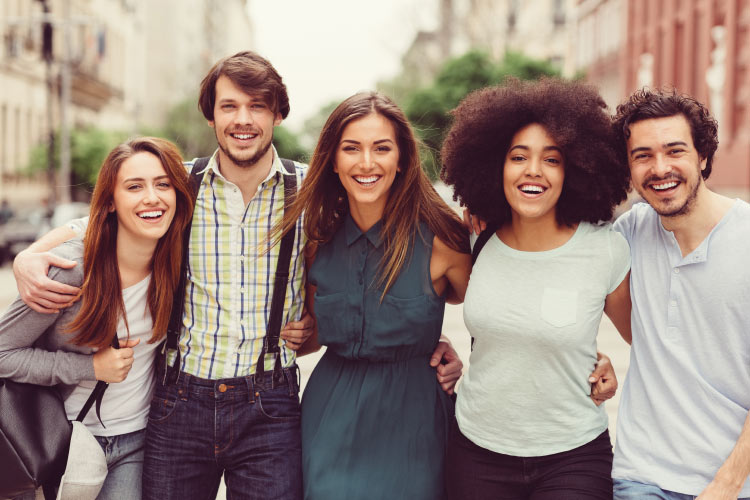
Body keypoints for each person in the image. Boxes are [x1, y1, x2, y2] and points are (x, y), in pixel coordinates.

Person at [12, 51, 462, 500]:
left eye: (257, 106)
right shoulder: (177, 186)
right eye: (229, 106)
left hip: (271, 407)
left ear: (278, 114)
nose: (242, 120)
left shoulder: (312, 193)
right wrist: (30, 255)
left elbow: (380, 233)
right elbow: (103, 221)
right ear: (211, 117)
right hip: (177, 403)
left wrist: (425, 335)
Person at [268, 91, 471, 499]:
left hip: (414, 422)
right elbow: (316, 337)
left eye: (381, 148)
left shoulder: (444, 240)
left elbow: (494, 320)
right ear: (333, 161)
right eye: (351, 149)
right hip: (331, 416)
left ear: (401, 160)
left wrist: (456, 356)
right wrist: (297, 334)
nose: (366, 163)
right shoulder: (317, 240)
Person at [440, 78, 632, 499]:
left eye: (552, 159)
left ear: (576, 169)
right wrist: (434, 344)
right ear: (495, 166)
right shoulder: (475, 238)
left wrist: (605, 363)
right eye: (518, 157)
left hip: (573, 455)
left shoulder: (604, 249)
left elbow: (647, 341)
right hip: (476, 448)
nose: (533, 171)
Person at [0, 137, 194, 499]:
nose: (152, 196)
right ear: (110, 201)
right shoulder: (71, 270)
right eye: (134, 186)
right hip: (63, 441)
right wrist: (89, 368)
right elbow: (3, 353)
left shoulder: (178, 262)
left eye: (163, 184)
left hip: (138, 440)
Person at [610, 89, 750, 499]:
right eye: (642, 156)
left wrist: (727, 483)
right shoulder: (627, 235)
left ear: (703, 156)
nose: (660, 169)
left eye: (675, 151)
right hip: (642, 476)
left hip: (734, 484)